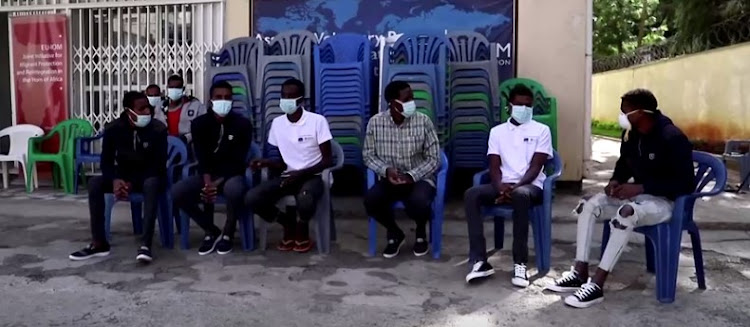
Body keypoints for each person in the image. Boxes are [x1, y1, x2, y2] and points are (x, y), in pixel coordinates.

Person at [546, 89, 694, 308]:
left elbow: (686, 184)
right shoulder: (632, 134)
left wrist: (642, 187)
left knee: (625, 214)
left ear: (642, 113)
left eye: (625, 111)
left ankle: (597, 284)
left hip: (665, 202)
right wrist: (616, 180)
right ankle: (580, 271)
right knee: (588, 204)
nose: (622, 116)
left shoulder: (672, 137)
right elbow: (625, 163)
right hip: (640, 196)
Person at [463, 84, 553, 287]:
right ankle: (480, 261)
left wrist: (514, 187)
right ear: (509, 106)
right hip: (503, 184)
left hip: (530, 186)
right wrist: (500, 186)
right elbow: (493, 165)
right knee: (472, 194)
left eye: (528, 105)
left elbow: (537, 166)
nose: (524, 109)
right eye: (519, 104)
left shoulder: (541, 130)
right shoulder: (497, 132)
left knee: (521, 195)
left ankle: (520, 263)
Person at [69, 91, 168, 263]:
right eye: (141, 108)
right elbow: (106, 161)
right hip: (122, 177)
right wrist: (115, 180)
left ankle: (145, 244)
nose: (147, 112)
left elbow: (158, 166)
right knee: (95, 184)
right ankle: (99, 243)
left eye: (148, 108)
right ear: (129, 111)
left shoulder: (158, 129)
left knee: (152, 184)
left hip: (149, 177)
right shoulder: (114, 129)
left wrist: (129, 183)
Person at [244, 78, 333, 254]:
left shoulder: (317, 121)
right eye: (283, 96)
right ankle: (287, 224)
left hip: (313, 176)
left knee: (305, 198)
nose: (286, 100)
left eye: (291, 96)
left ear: (301, 100)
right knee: (252, 198)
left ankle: (301, 230)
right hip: (287, 176)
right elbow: (280, 162)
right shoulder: (277, 124)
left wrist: (299, 175)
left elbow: (327, 160)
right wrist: (265, 162)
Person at [171, 81, 252, 255]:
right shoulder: (200, 124)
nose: (223, 101)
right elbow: (201, 157)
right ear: (211, 99)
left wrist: (217, 184)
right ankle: (211, 230)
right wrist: (208, 183)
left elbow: (239, 161)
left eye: (227, 98)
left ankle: (228, 233)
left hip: (231, 175)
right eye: (219, 97)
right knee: (177, 192)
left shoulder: (242, 124)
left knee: (234, 189)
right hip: (207, 175)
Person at [363, 81, 440, 258]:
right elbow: (368, 155)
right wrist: (386, 170)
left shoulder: (423, 121)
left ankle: (421, 231)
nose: (412, 102)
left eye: (412, 97)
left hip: (419, 178)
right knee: (371, 201)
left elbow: (434, 158)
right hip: (390, 178)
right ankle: (394, 232)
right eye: (407, 99)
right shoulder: (375, 123)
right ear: (392, 103)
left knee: (419, 202)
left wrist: (411, 176)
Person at [153, 74, 206, 143]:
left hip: (189, 146)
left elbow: (203, 128)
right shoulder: (160, 107)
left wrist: (187, 138)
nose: (174, 90)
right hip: (166, 145)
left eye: (177, 87)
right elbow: (155, 127)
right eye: (171, 87)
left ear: (183, 89)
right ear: (167, 88)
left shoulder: (196, 106)